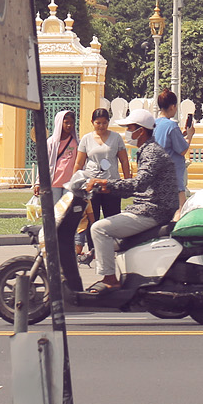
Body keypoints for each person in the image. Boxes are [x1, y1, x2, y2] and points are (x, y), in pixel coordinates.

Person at [83, 106, 175, 293]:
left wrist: (109, 184)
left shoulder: (151, 153)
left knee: (99, 228)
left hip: (153, 210)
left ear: (141, 131)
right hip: (148, 207)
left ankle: (110, 279)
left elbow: (139, 184)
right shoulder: (147, 150)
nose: (127, 133)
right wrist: (110, 187)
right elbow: (137, 186)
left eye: (130, 128)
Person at [33, 110, 85, 294]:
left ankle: (65, 246)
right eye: (66, 123)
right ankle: (50, 247)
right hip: (54, 184)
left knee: (66, 219)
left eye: (71, 122)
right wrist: (39, 181)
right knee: (53, 217)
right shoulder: (51, 143)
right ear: (59, 123)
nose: (69, 126)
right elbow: (43, 163)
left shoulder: (76, 143)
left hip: (69, 185)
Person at [72, 107, 131, 263]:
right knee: (93, 220)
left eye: (104, 123)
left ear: (108, 123)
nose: (101, 126)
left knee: (113, 218)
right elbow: (79, 163)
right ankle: (95, 251)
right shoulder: (86, 139)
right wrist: (75, 183)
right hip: (91, 186)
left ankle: (113, 249)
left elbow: (124, 161)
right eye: (98, 123)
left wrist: (128, 182)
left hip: (112, 185)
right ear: (92, 122)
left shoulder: (116, 138)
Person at [153, 89, 191, 212]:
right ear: (173, 106)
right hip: (172, 173)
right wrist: (190, 135)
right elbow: (182, 150)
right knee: (179, 209)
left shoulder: (153, 124)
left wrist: (181, 134)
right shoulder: (171, 126)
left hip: (157, 172)